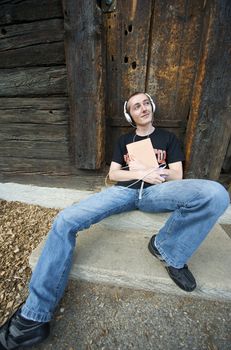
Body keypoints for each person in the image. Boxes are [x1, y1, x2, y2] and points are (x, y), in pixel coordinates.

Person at [0, 92, 229, 350]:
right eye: (135, 106)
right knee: (65, 219)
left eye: (145, 103)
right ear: (129, 115)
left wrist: (156, 174)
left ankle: (167, 249)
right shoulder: (124, 141)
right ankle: (34, 317)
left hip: (157, 192)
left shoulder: (168, 138)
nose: (142, 108)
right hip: (124, 191)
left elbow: (178, 175)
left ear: (152, 107)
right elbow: (113, 174)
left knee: (216, 193)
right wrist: (138, 171)